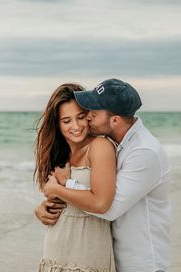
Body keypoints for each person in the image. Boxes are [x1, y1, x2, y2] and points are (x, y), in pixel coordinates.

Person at [35, 79, 171, 272]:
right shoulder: (120, 145)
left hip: (142, 263)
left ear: (114, 120)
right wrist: (43, 208)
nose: (89, 117)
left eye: (92, 113)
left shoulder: (144, 152)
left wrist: (63, 187)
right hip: (108, 254)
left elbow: (104, 206)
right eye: (66, 120)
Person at [34, 83, 117, 271]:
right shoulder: (58, 154)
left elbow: (101, 203)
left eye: (80, 117)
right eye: (66, 121)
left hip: (88, 252)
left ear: (89, 115)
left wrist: (57, 189)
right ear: (57, 123)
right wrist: (40, 210)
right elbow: (58, 200)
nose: (76, 126)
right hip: (55, 249)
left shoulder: (99, 146)